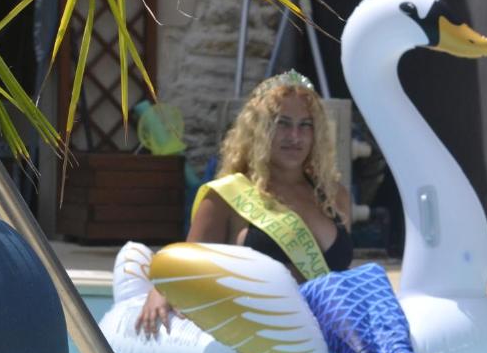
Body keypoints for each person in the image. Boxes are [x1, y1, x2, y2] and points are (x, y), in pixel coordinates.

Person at [135, 70, 352, 336]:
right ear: (258, 129)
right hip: (257, 337)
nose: (294, 136)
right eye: (281, 123)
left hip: (324, 337)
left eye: (305, 125)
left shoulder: (335, 196)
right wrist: (160, 290)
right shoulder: (226, 196)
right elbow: (186, 266)